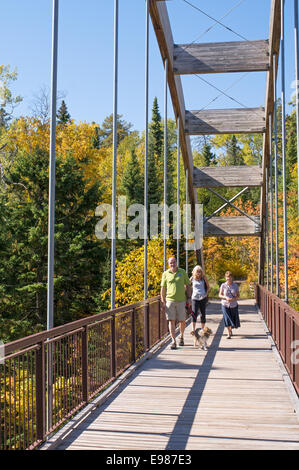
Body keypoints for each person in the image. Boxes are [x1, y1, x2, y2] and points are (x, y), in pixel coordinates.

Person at [160, 257, 191, 350]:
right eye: (170, 263)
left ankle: (181, 336)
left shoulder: (182, 272)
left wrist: (189, 298)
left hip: (181, 300)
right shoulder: (165, 274)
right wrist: (163, 301)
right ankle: (173, 341)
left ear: (176, 263)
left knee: (182, 321)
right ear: (168, 264)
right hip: (170, 300)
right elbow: (163, 288)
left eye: (174, 262)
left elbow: (188, 285)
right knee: (171, 320)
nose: (172, 264)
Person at [219, 271, 240, 339]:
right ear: (225, 278)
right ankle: (228, 333)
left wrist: (233, 299)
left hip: (233, 304)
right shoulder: (223, 285)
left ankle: (230, 329)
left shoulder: (235, 285)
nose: (228, 279)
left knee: (232, 318)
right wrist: (225, 298)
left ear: (232, 278)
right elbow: (220, 295)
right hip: (225, 304)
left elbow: (238, 295)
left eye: (230, 278)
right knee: (227, 318)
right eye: (227, 278)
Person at [190, 265, 210, 333]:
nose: (198, 273)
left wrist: (206, 294)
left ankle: (202, 328)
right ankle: (193, 329)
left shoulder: (203, 278)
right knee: (194, 313)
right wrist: (188, 294)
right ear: (195, 272)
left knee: (203, 314)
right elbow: (187, 286)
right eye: (197, 272)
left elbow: (208, 287)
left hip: (202, 298)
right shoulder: (192, 278)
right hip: (195, 298)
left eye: (200, 272)